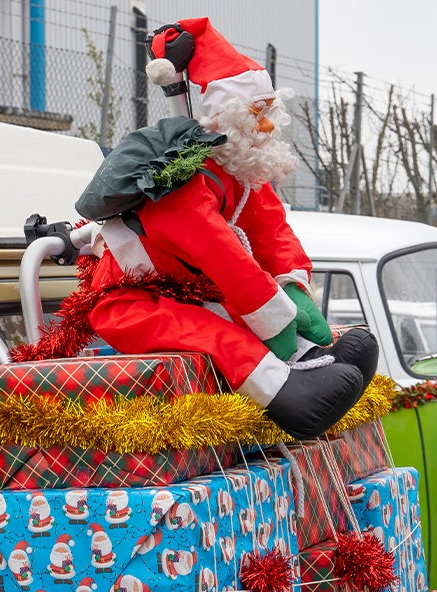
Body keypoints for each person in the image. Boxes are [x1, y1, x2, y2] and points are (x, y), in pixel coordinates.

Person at [68, 18, 376, 440]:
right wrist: (274, 314)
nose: (267, 127)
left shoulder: (244, 168)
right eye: (256, 115)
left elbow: (271, 229)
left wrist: (292, 290)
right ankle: (284, 391)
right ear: (223, 119)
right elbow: (216, 249)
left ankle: (313, 359)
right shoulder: (186, 177)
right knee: (217, 332)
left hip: (196, 289)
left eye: (269, 113)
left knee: (235, 313)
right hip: (134, 298)